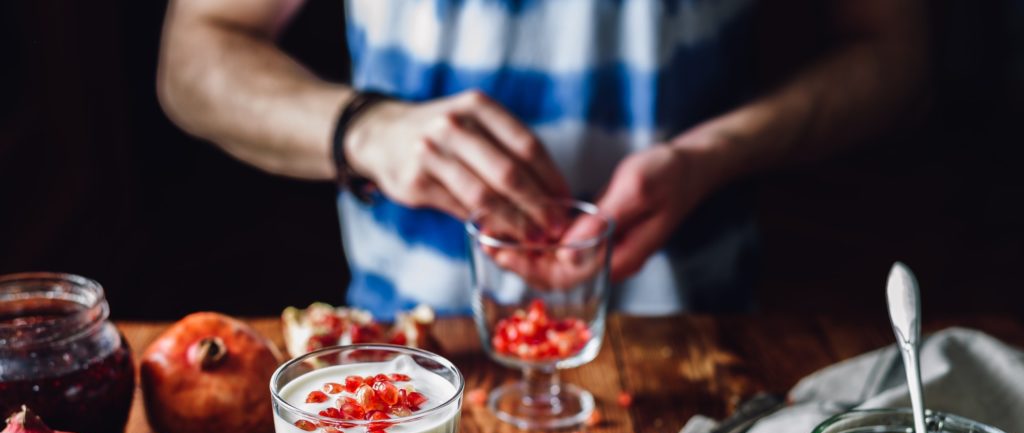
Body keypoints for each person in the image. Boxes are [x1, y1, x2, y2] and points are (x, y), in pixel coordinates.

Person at [158, 0, 928, 318]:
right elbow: (193, 54)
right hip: (416, 334)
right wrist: (364, 129)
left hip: (697, 328)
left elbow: (893, 48)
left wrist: (716, 153)